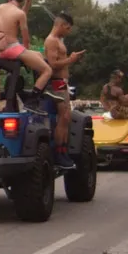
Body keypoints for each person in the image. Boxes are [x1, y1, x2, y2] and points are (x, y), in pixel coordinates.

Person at [0, 0, 60, 105]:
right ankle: (33, 99)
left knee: (38, 55)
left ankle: (39, 87)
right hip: (12, 48)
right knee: (47, 70)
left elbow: (19, 16)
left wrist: (28, 2)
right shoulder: (20, 13)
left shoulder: (1, 7)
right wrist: (26, 54)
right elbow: (26, 39)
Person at [44, 12, 85, 168]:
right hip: (56, 83)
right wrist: (71, 59)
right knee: (63, 118)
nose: (69, 32)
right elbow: (53, 64)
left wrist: (71, 59)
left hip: (62, 82)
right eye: (67, 28)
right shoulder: (51, 41)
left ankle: (63, 151)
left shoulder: (58, 41)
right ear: (61, 25)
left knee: (66, 118)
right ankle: (59, 153)